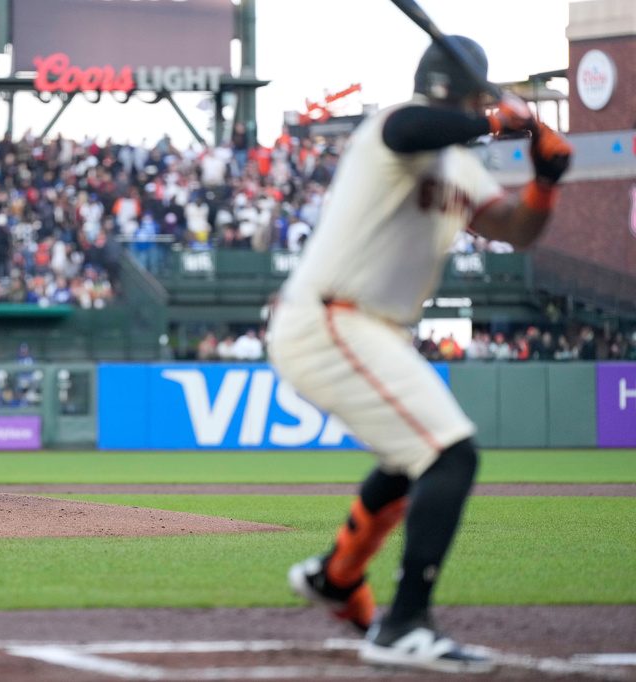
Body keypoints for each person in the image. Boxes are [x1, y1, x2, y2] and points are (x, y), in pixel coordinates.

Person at [267, 37, 571, 673]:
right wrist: (494, 120)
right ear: (466, 94)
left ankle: (336, 576)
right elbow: (410, 126)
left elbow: (514, 230)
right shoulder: (397, 126)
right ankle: (402, 624)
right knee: (450, 453)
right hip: (329, 317)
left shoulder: (459, 163)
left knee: (414, 461)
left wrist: (544, 183)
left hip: (369, 327)